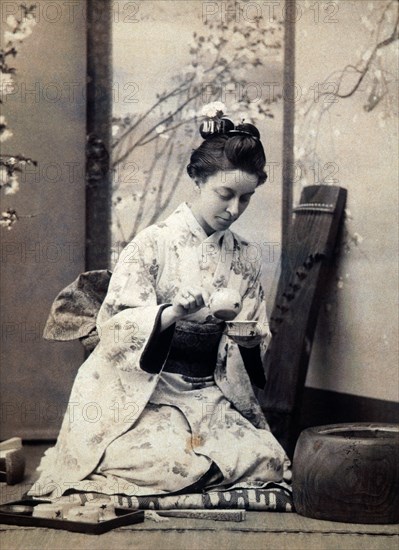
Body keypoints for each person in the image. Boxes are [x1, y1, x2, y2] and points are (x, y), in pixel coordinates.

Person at [29, 113, 290, 499]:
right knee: (153, 459)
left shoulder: (246, 257)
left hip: (210, 391)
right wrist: (170, 313)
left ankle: (197, 473)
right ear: (197, 179)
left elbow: (253, 341)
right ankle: (189, 474)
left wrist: (245, 335)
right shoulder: (152, 244)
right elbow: (115, 327)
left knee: (268, 458)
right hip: (150, 392)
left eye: (246, 197)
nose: (235, 209)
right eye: (225, 194)